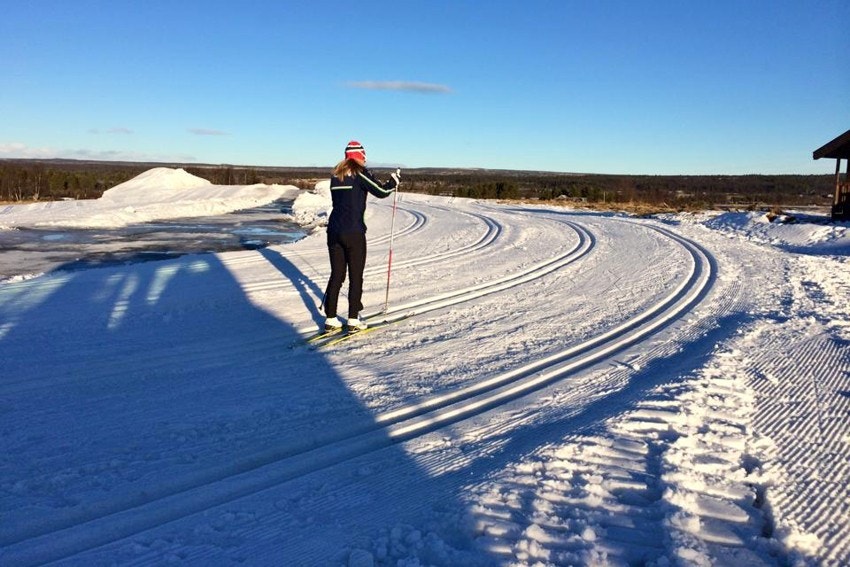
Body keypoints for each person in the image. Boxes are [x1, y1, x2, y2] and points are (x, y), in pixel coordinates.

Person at [323, 140, 400, 333]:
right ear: (360, 156)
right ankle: (352, 320)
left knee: (337, 275)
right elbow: (381, 191)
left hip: (334, 231)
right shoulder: (360, 173)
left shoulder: (336, 174)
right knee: (355, 275)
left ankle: (331, 319)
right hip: (354, 232)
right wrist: (393, 183)